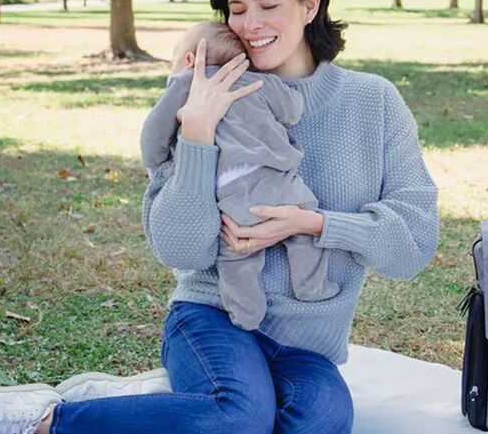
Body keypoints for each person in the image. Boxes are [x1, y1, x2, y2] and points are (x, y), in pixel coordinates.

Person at [0, 0, 440, 434]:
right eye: (237, 9)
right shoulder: (205, 90)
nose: (251, 24)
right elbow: (182, 251)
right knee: (237, 422)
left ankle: (180, 402)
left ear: (310, 5)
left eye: (270, 5)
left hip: (304, 344)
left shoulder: (374, 101)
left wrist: (314, 224)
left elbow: (415, 244)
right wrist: (197, 136)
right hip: (211, 317)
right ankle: (50, 417)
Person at [141, 19, 339, 331]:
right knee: (304, 228)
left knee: (235, 254)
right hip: (277, 181)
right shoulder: (260, 82)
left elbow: (154, 132)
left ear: (189, 60)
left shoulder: (186, 83)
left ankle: (246, 314)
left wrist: (155, 163)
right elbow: (292, 109)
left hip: (229, 190)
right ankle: (312, 287)